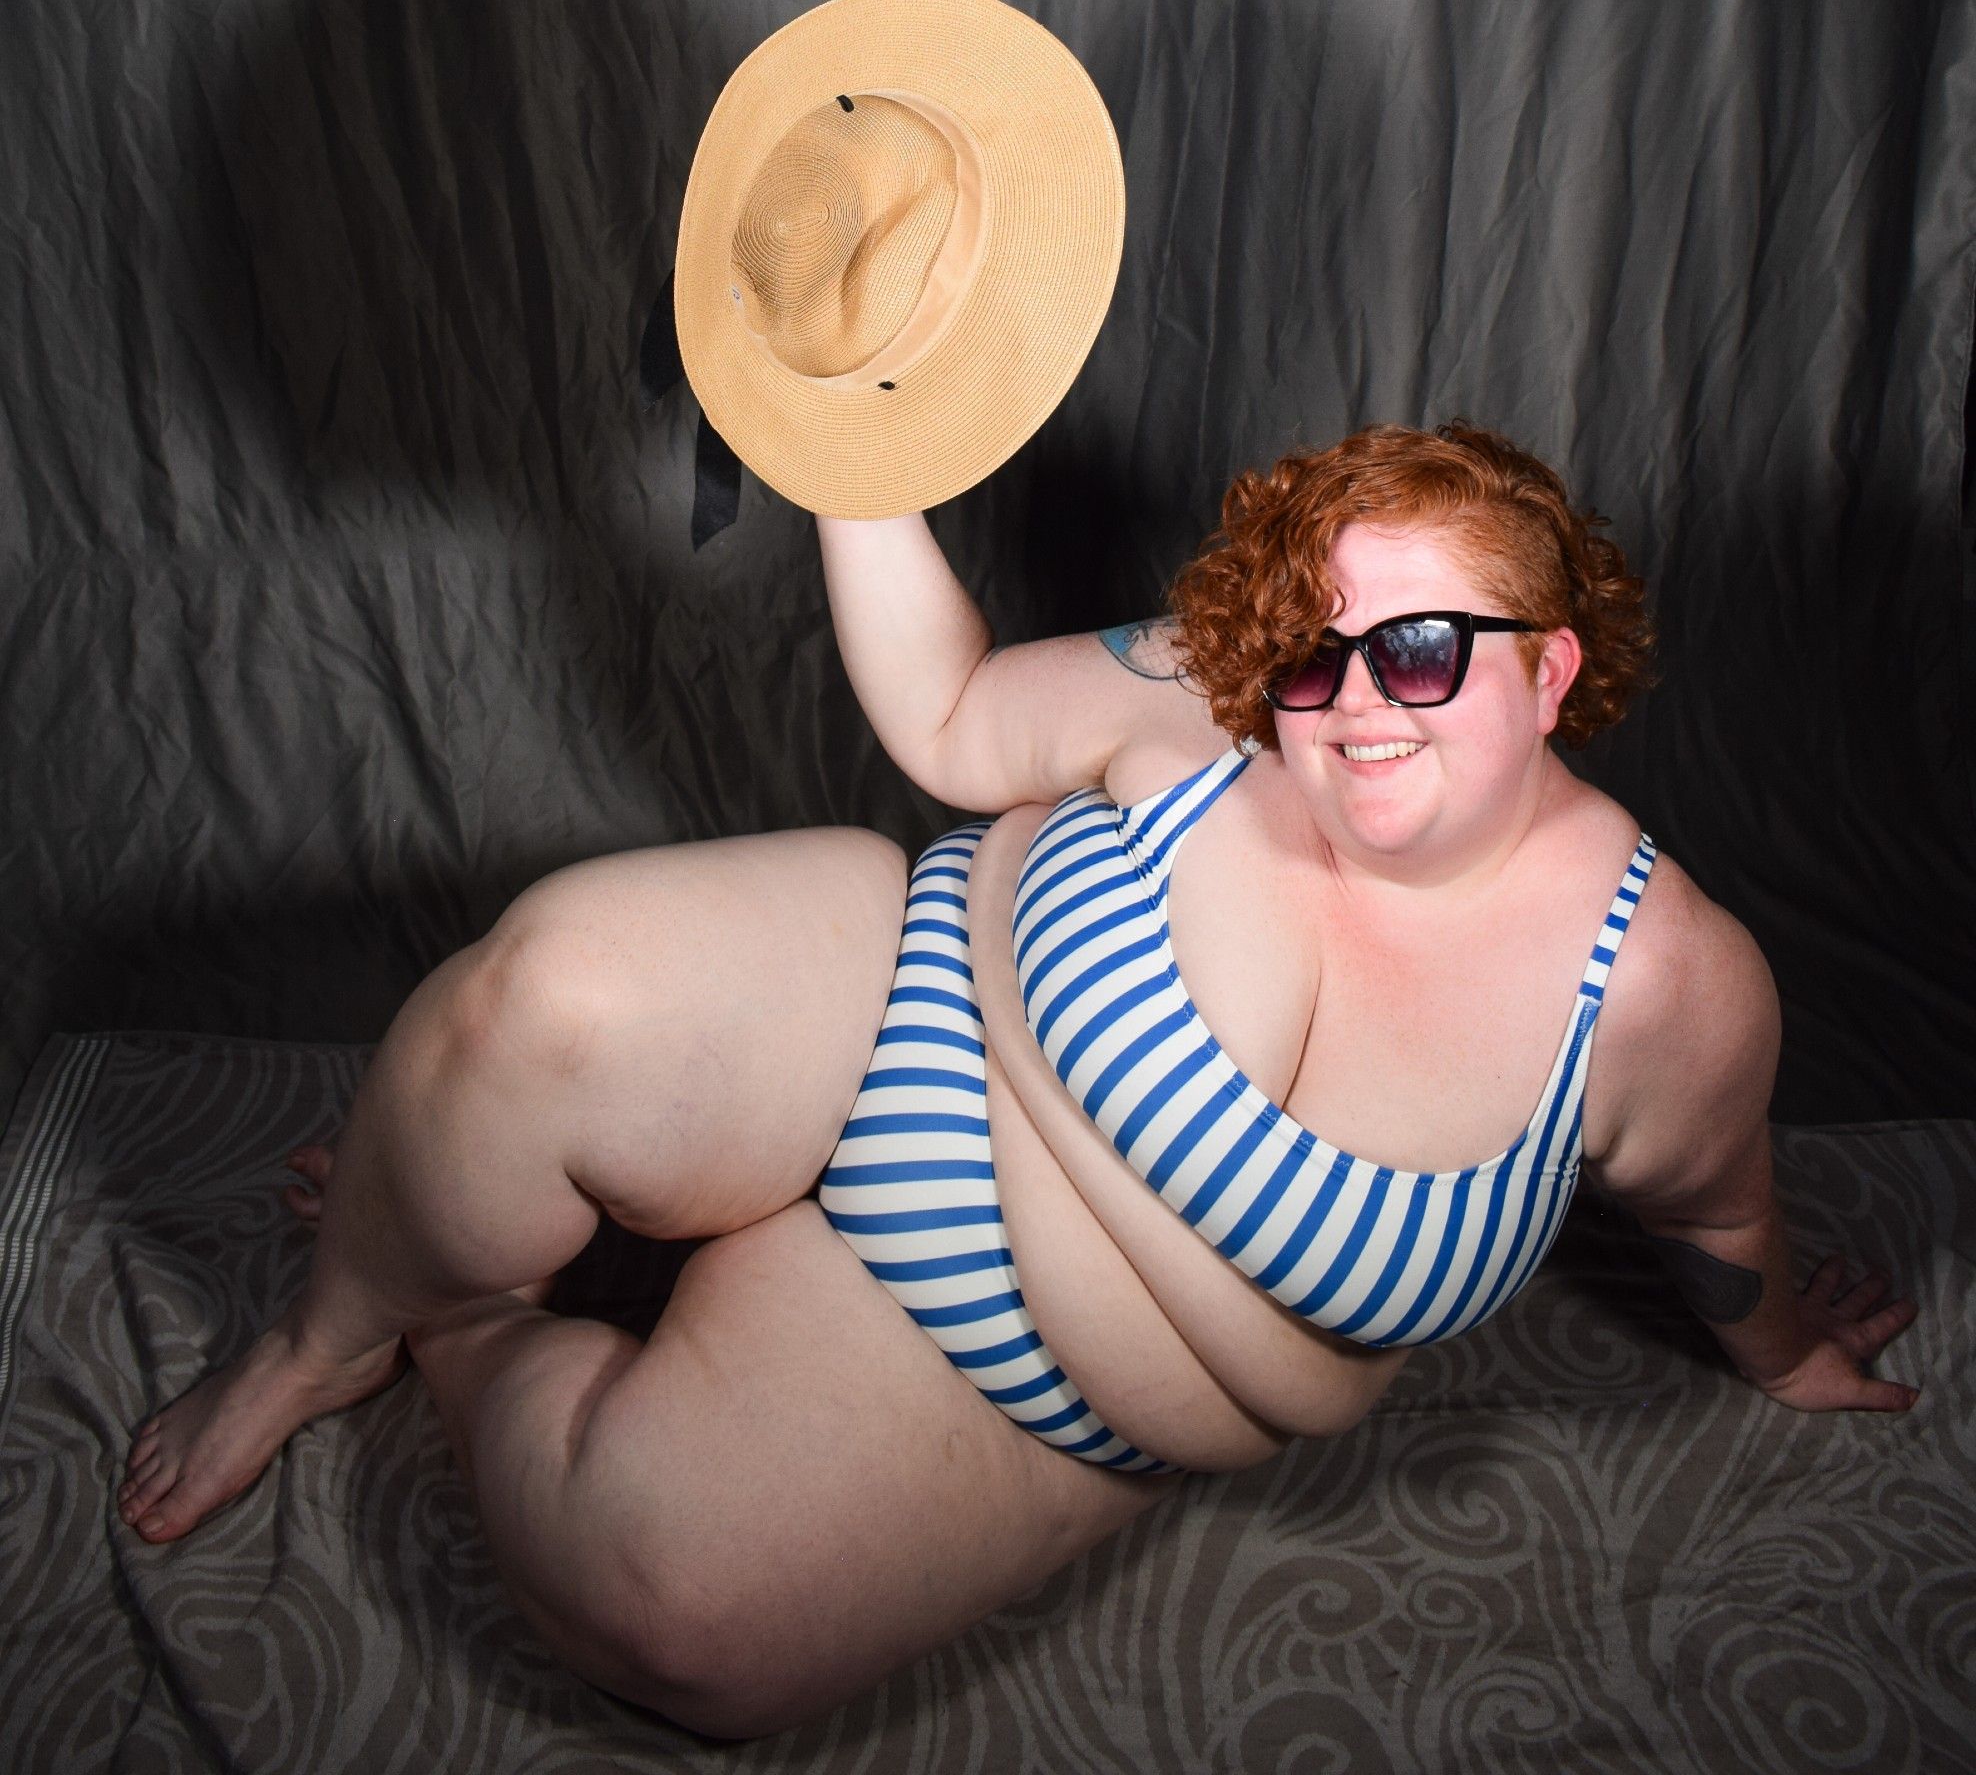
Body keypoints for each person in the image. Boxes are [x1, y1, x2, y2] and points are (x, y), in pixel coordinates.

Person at [115, 417, 1918, 1739]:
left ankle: (463, 1325)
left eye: (1426, 648)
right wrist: (848, 459)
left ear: (1554, 667)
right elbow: (956, 713)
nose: (1356, 700)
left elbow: (1712, 1202)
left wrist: (1777, 1345)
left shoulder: (1662, 987)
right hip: (882, 1018)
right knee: (541, 996)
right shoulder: (1210, 693)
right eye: (1317, 644)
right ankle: (338, 1322)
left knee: (675, 1624)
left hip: (1009, 1382)